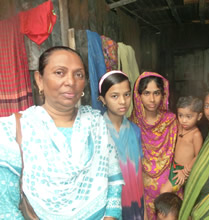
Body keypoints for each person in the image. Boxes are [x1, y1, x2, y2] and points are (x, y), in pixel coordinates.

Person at [0, 46, 124, 219]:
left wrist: (111, 216)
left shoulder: (96, 123)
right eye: (59, 72)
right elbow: (5, 209)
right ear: (39, 79)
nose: (71, 82)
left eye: (78, 74)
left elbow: (114, 179)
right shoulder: (13, 130)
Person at [130, 72, 180, 220]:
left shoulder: (171, 121)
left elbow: (183, 154)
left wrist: (173, 182)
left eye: (156, 93)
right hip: (143, 193)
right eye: (146, 93)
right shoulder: (131, 125)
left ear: (163, 95)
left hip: (170, 190)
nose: (152, 99)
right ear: (138, 96)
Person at [98, 70, 144, 219]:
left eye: (127, 94)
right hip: (108, 206)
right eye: (114, 96)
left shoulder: (135, 131)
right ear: (102, 99)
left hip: (135, 202)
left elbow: (139, 171)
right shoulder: (97, 131)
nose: (123, 101)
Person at [160, 96, 203, 193]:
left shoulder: (196, 134)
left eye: (188, 117)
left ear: (199, 116)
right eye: (180, 115)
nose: (183, 120)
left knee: (164, 191)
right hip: (174, 166)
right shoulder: (179, 126)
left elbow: (198, 156)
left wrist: (184, 172)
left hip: (183, 170)